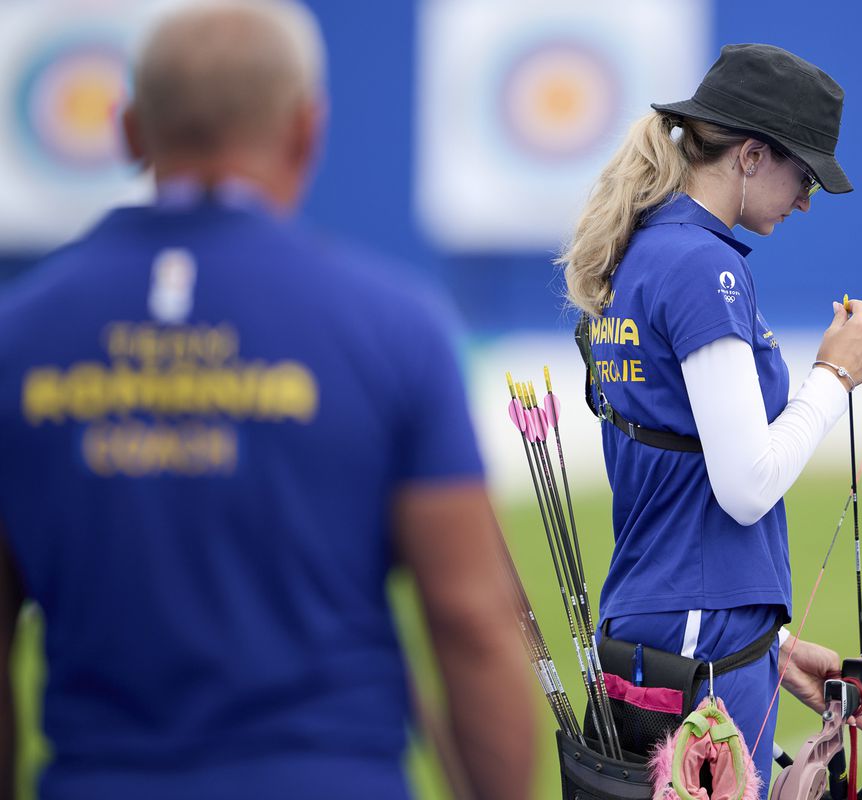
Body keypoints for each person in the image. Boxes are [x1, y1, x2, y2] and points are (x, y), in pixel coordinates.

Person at [0, 2, 534, 799]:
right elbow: (467, 616)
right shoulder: (393, 326)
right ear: (306, 131)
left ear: (130, 132)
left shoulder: (19, 334)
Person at [559, 44, 862, 793]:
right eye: (803, 176)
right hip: (698, 631)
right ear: (750, 155)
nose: (806, 200)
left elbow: (676, 462)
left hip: (675, 621)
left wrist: (772, 646)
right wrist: (835, 375)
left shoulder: (651, 252)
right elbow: (745, 485)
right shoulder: (700, 266)